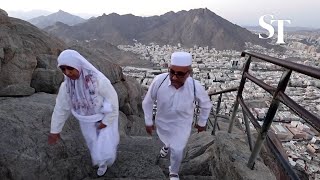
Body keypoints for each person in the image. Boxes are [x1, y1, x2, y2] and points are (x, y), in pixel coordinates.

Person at [48, 49, 119, 177]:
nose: (67, 73)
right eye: (63, 69)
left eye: (70, 68)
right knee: (92, 142)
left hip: (102, 117)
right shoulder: (67, 87)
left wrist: (106, 121)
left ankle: (105, 160)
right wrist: (55, 130)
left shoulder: (98, 81)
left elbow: (113, 101)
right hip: (85, 120)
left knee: (105, 142)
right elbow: (61, 108)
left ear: (78, 65)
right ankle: (101, 162)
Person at [142, 52, 212, 180]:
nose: (174, 77)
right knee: (166, 138)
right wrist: (148, 121)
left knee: (178, 149)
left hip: (182, 125)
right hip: (163, 122)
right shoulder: (159, 81)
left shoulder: (195, 87)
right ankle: (167, 145)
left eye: (179, 74)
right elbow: (147, 101)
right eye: (171, 72)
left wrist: (202, 123)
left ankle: (173, 171)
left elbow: (206, 105)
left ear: (188, 73)